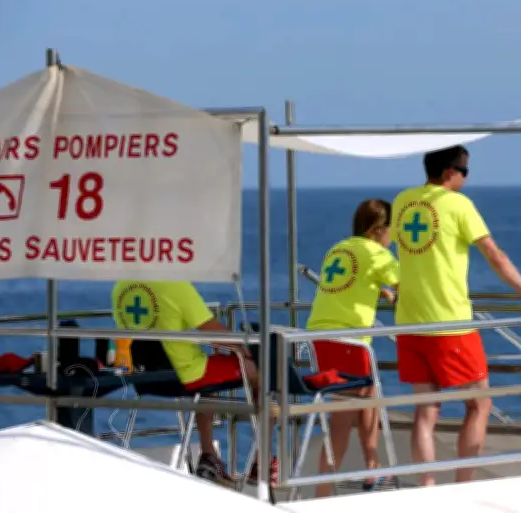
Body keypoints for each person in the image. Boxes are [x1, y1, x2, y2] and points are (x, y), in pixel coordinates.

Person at [390, 145, 521, 486]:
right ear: (449, 172)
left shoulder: (402, 201)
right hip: (449, 324)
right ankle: (463, 486)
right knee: (479, 404)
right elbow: (495, 255)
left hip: (409, 322)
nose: (466, 178)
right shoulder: (459, 205)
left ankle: (426, 489)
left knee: (426, 410)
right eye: (465, 171)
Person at [111, 280, 277, 487]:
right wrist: (245, 352)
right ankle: (262, 462)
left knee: (212, 372)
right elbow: (212, 329)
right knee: (263, 372)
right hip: (186, 375)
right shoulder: (176, 286)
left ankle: (210, 458)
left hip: (145, 378)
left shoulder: (121, 288)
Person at [306, 199, 400, 497]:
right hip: (347, 341)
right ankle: (323, 492)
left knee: (369, 395)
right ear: (377, 230)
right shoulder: (376, 254)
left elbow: (352, 282)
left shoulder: (340, 248)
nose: (393, 239)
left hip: (320, 337)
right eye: (391, 232)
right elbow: (410, 282)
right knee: (342, 420)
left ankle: (373, 468)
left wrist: (379, 288)